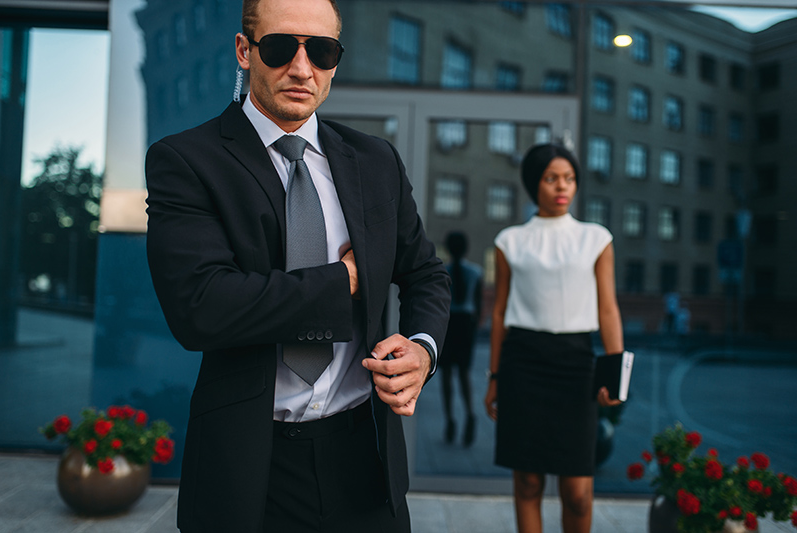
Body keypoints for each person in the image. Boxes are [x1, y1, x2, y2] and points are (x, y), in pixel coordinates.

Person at [144, 0, 451, 531]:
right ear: (245, 51)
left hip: (365, 458)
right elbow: (201, 308)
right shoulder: (186, 161)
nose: (302, 68)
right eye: (282, 46)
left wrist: (422, 350)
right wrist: (347, 280)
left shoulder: (375, 160)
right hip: (250, 466)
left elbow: (425, 273)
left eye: (322, 50)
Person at [484, 143, 624, 533]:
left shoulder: (596, 238)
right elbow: (499, 314)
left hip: (577, 364)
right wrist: (494, 377)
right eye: (551, 179)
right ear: (534, 183)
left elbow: (608, 309)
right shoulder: (509, 241)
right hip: (522, 364)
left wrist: (615, 374)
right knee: (528, 482)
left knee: (578, 491)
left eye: (569, 178)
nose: (562, 187)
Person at [440, 231, 482, 447]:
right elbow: (479, 305)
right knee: (463, 373)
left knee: (446, 374)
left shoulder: (443, 271)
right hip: (465, 322)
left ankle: (450, 420)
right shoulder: (475, 272)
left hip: (449, 322)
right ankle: (470, 414)